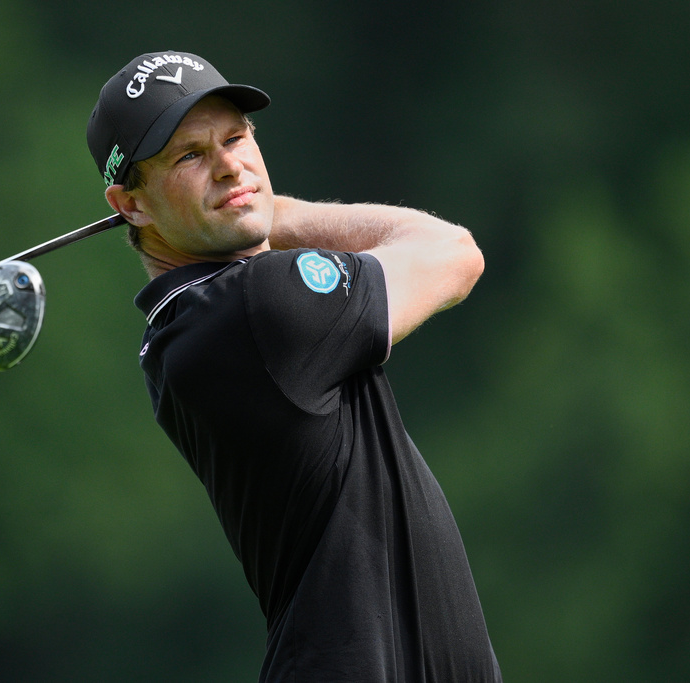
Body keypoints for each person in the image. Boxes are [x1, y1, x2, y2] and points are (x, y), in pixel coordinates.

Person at [87, 51, 501, 682]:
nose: (230, 165)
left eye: (235, 137)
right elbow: (453, 253)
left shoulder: (190, 328)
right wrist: (281, 213)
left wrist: (251, 209)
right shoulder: (259, 307)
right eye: (190, 156)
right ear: (132, 205)